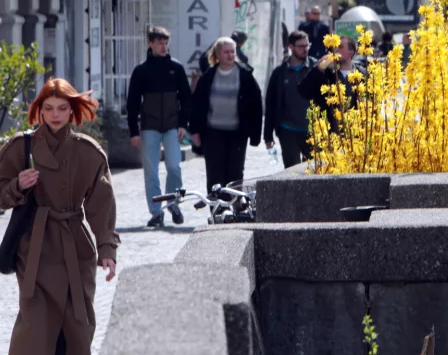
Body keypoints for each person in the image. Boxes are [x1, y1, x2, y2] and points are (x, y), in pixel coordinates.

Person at [0, 78, 119, 355]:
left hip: (74, 248)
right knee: (35, 327)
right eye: (48, 108)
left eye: (63, 108)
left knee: (70, 329)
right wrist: (20, 185)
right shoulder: (21, 146)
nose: (55, 115)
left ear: (74, 110)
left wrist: (107, 249)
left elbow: (102, 204)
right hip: (34, 249)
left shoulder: (89, 153)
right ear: (39, 110)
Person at [126, 26, 192, 227]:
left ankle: (172, 202)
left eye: (166, 43)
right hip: (149, 126)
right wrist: (133, 132)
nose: (164, 47)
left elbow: (186, 98)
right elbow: (133, 103)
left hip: (172, 125)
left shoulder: (176, 68)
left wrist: (183, 124)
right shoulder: (141, 71)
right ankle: (156, 212)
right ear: (150, 44)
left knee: (174, 167)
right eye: (160, 43)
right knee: (151, 172)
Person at [189, 37, 263, 192]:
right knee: (215, 173)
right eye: (226, 52)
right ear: (218, 55)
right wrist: (195, 130)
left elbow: (256, 106)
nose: (230, 55)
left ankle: (234, 209)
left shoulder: (245, 75)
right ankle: (217, 211)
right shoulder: (208, 77)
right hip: (213, 132)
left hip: (237, 132)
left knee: (235, 173)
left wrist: (255, 136)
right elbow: (197, 104)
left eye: (232, 52)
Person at [264, 30, 318, 167]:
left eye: (307, 46)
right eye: (300, 46)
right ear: (290, 46)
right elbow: (271, 104)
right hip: (288, 130)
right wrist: (268, 135)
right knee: (292, 171)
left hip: (313, 130)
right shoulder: (280, 73)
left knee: (312, 172)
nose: (304, 50)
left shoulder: (315, 68)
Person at [299, 36, 366, 131]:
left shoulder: (363, 74)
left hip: (356, 134)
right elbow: (303, 91)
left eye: (341, 46)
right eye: (335, 46)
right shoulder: (326, 74)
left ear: (351, 52)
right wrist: (318, 69)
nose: (336, 49)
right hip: (330, 135)